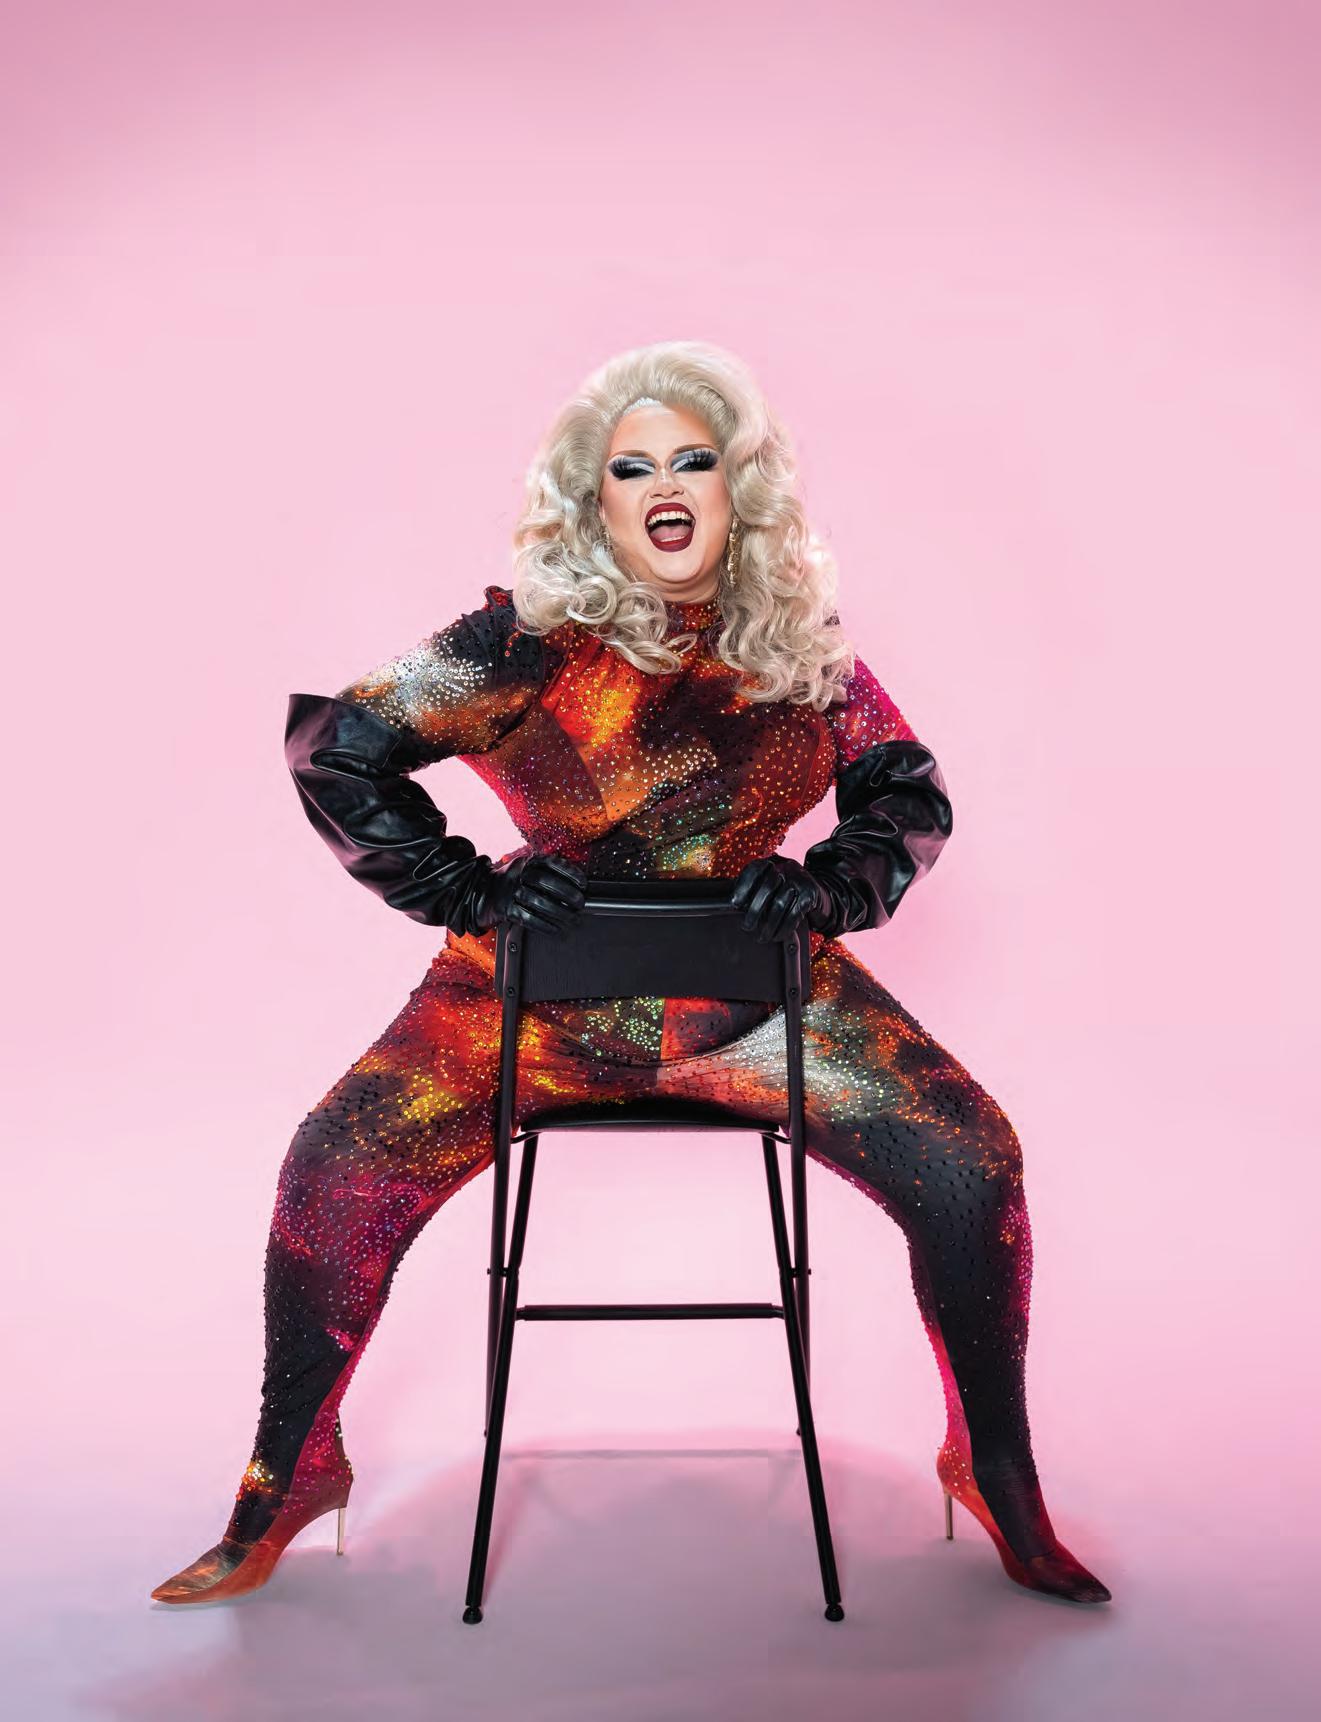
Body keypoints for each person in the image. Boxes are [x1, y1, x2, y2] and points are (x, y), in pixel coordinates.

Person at [151, 339, 1110, 1608]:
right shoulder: (522, 638)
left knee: (972, 1161)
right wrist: (467, 889)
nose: (664, 484)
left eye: (692, 460)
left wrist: (828, 885)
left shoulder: (793, 642)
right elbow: (338, 747)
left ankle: (994, 1470)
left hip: (756, 1000)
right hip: (529, 1003)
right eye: (631, 466)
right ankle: (288, 1476)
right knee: (334, 1171)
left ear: (734, 488)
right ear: (593, 499)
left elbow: (903, 791)